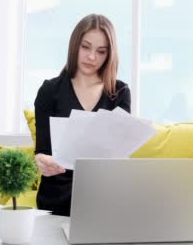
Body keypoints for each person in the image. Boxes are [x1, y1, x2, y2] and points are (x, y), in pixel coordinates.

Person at [33, 14, 131, 216]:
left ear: (109, 54)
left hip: (103, 194)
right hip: (57, 194)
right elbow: (42, 151)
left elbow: (119, 153)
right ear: (74, 45)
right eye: (85, 47)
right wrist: (42, 161)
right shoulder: (49, 90)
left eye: (101, 51)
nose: (92, 57)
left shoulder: (119, 93)